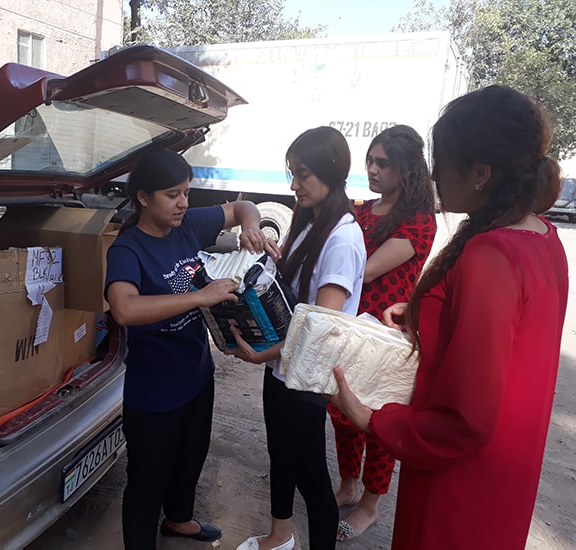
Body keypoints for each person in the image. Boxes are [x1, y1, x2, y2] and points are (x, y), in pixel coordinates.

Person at [329, 85, 568, 549]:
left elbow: (467, 420)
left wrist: (373, 419)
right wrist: (426, 317)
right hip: (506, 469)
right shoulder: (542, 237)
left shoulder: (490, 254)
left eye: (442, 162)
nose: (435, 175)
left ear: (480, 172)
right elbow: (513, 340)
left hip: (458, 477)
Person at [105, 148, 279, 550]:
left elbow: (243, 206)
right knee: (148, 479)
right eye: (172, 194)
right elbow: (125, 308)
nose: (183, 202)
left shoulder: (187, 225)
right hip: (155, 392)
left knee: (191, 455)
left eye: (186, 191)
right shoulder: (128, 249)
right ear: (144, 197)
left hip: (197, 375)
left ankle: (179, 519)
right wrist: (200, 297)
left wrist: (251, 227)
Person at [227, 126, 367, 550]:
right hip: (282, 367)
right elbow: (297, 294)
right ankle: (279, 535)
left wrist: (259, 355)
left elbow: (319, 327)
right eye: (292, 173)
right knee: (281, 456)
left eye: (303, 174)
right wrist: (271, 257)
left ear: (331, 170)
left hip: (306, 376)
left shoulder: (342, 237)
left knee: (311, 477)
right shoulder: (310, 222)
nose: (294, 184)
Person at [327, 125, 436, 542]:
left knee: (379, 423)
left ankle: (370, 504)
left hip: (388, 338)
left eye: (382, 163)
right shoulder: (363, 210)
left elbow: (366, 269)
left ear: (406, 170)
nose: (371, 169)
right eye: (370, 161)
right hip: (354, 328)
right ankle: (348, 484)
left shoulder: (419, 222)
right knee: (342, 412)